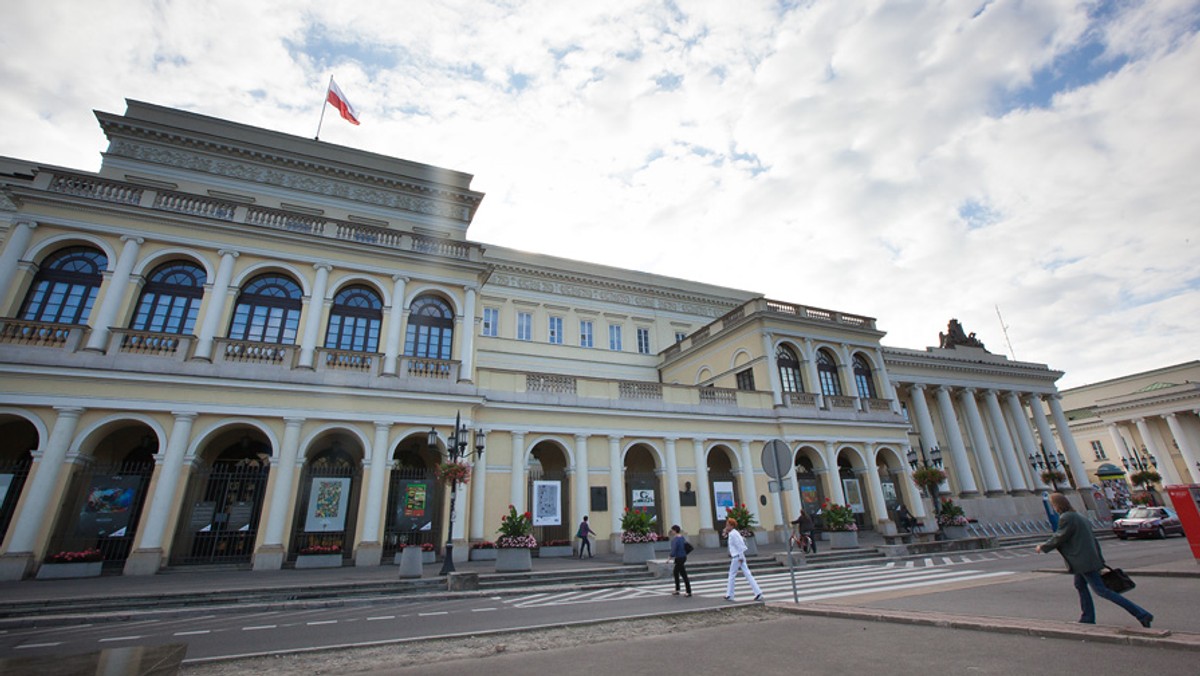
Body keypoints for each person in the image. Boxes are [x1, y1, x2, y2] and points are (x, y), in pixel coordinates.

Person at [1035, 492, 1153, 628]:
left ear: (1057, 505)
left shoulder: (1067, 518)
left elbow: (1060, 536)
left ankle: (1142, 614)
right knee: (1080, 585)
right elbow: (1093, 540)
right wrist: (1100, 560)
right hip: (1088, 559)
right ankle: (1087, 617)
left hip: (1083, 561)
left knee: (1102, 591)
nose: (1053, 508)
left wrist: (1043, 547)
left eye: (1053, 505)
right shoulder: (1079, 516)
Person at [723, 517, 763, 602]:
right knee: (748, 574)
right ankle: (758, 592)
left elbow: (739, 545)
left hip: (737, 557)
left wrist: (741, 556)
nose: (726, 526)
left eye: (728, 525)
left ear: (731, 525)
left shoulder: (733, 534)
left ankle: (730, 594)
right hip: (739, 556)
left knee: (732, 575)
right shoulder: (735, 533)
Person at [667, 524, 692, 597]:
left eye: (672, 530)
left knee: (683, 574)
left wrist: (669, 558)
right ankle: (678, 589)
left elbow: (674, 550)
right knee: (676, 572)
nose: (671, 532)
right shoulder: (682, 538)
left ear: (675, 531)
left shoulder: (675, 539)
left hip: (679, 558)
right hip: (683, 557)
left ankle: (688, 591)